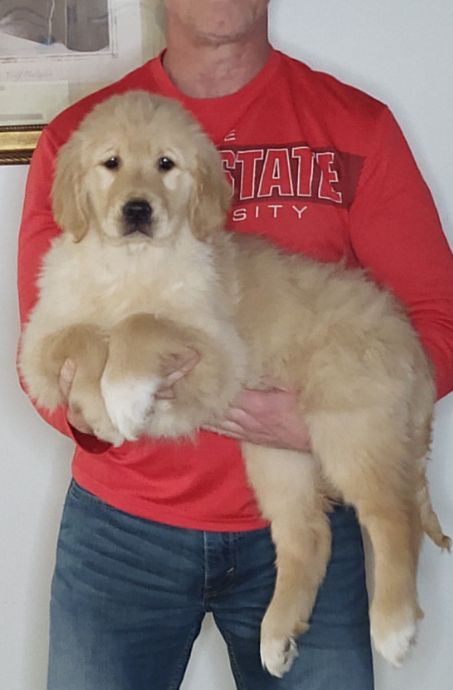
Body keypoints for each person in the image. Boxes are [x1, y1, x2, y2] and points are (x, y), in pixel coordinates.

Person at [17, 1, 453, 689]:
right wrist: (92, 408)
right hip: (121, 537)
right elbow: (43, 351)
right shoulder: (78, 137)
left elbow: (436, 316)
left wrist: (332, 422)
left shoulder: (354, 125)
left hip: (306, 515)